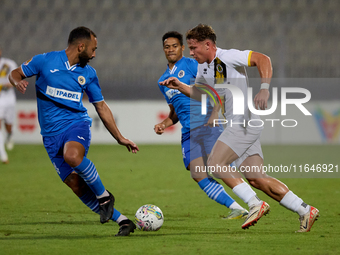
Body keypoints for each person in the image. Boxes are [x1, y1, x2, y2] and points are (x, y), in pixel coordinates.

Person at [160, 24, 319, 232]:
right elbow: (202, 94)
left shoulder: (229, 56)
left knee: (216, 163)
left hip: (242, 122)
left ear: (208, 45)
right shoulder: (203, 67)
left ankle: (254, 204)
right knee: (256, 178)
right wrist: (180, 86)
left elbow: (263, 59)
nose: (191, 53)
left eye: (194, 48)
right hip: (242, 124)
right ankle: (305, 209)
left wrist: (264, 89)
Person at [9, 26, 139, 236]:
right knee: (76, 185)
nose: (95, 54)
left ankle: (104, 196)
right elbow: (15, 73)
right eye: (93, 49)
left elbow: (101, 106)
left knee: (72, 156)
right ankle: (123, 221)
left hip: (75, 125)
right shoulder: (45, 61)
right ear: (81, 46)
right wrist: (18, 82)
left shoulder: (88, 74)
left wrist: (120, 138)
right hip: (50, 136)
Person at [155, 31, 248, 220]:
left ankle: (253, 201)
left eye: (174, 46)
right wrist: (164, 123)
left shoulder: (193, 64)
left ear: (182, 48)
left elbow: (216, 87)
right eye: (167, 46)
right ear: (163, 50)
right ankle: (238, 207)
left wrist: (215, 111)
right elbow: (175, 111)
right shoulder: (163, 80)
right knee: (197, 173)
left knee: (219, 167)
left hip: (206, 124)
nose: (170, 49)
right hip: (189, 130)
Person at [0, 46, 17, 164]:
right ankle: (3, 155)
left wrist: (7, 85)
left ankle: (10, 135)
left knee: (8, 124)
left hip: (9, 98)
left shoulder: (8, 63)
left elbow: (16, 79)